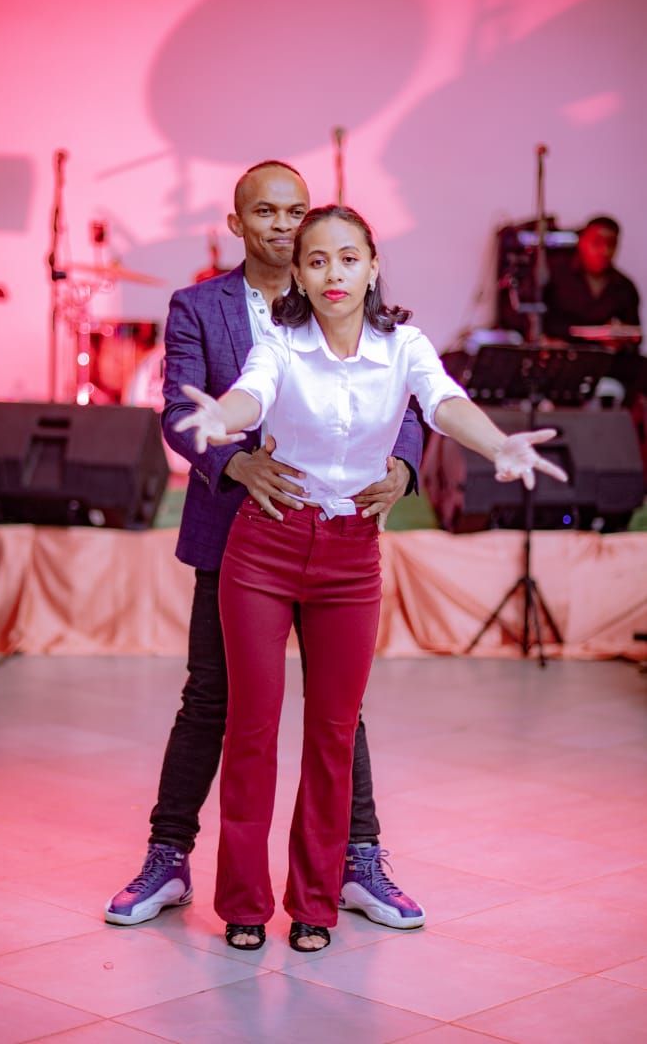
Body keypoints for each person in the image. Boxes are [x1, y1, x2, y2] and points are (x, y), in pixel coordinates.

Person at [176, 204, 567, 951]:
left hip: (351, 557)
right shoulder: (279, 342)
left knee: (332, 735)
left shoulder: (404, 346)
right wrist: (223, 416)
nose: (334, 274)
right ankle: (244, 903)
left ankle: (315, 904)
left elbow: (444, 403)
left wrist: (498, 445)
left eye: (348, 258)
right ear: (298, 274)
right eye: (317, 260)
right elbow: (253, 392)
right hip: (264, 548)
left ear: (373, 267)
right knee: (252, 729)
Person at [105, 162, 427, 935]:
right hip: (233, 535)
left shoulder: (342, 291)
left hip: (336, 534)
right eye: (266, 212)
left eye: (295, 211)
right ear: (236, 223)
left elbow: (410, 398)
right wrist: (233, 463)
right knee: (212, 699)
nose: (283, 225)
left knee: (339, 713)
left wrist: (403, 464)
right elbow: (179, 410)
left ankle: (357, 860)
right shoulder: (199, 306)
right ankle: (168, 854)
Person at [543, 215, 641, 341]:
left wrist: (621, 340)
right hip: (557, 352)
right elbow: (526, 318)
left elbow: (635, 337)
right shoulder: (553, 273)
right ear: (581, 242)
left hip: (603, 353)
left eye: (611, 244)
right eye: (596, 243)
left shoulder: (625, 287)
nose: (605, 251)